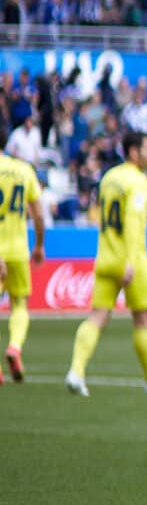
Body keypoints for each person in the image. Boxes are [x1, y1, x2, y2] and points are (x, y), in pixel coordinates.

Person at [67, 133, 147, 398]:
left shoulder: (109, 178)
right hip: (131, 260)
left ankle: (76, 371)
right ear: (134, 152)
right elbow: (132, 222)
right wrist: (130, 261)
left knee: (97, 316)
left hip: (105, 256)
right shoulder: (138, 181)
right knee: (143, 319)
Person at [0, 142, 47, 382]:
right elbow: (38, 214)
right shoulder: (23, 170)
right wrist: (39, 245)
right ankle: (15, 347)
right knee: (20, 305)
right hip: (18, 250)